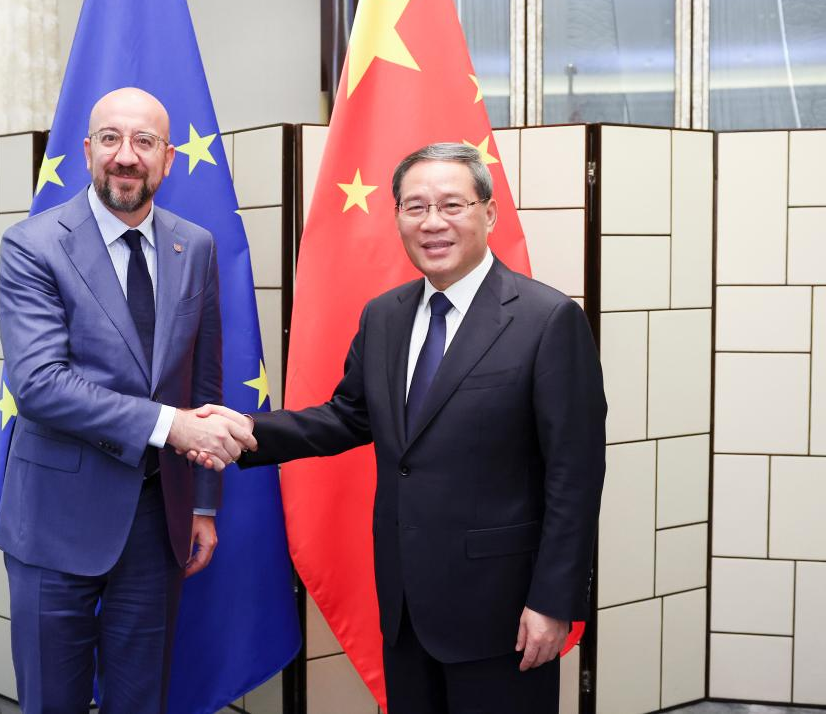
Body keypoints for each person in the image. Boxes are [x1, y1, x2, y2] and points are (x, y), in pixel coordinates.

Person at [194, 143, 606, 713]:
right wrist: (244, 432)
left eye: (451, 204)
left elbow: (575, 477)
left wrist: (554, 602)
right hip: (406, 606)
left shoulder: (548, 320)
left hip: (505, 612)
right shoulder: (384, 315)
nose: (432, 222)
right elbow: (349, 416)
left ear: (489, 214)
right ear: (396, 218)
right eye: (414, 207)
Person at [0, 87, 256, 714]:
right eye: (110, 138)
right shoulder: (33, 245)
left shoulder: (195, 246)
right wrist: (170, 426)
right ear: (87, 151)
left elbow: (205, 386)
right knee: (52, 702)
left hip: (154, 519)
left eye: (145, 142)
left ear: (168, 158)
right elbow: (38, 384)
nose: (126, 156)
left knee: (141, 701)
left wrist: (204, 503)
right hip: (54, 521)